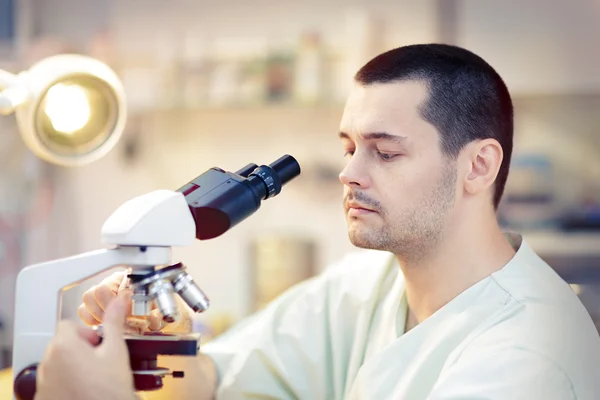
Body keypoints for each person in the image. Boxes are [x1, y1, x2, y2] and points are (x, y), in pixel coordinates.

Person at [36, 44, 600, 400]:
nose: (349, 173)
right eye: (349, 146)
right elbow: (218, 382)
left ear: (479, 165)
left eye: (385, 151)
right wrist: (160, 348)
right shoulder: (364, 289)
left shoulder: (527, 357)